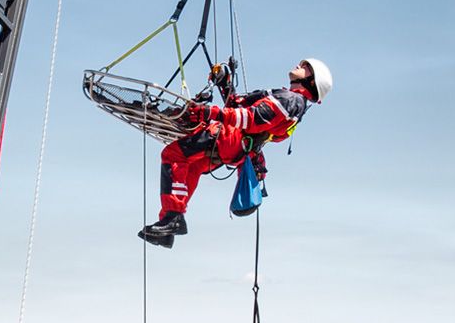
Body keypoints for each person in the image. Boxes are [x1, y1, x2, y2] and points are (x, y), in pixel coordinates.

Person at [139, 58, 333, 247]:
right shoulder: (294, 105)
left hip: (227, 138)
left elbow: (252, 118)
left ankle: (172, 217)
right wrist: (225, 84)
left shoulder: (291, 100)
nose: (299, 65)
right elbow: (239, 107)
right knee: (193, 166)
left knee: (172, 155)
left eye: (306, 66)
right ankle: (169, 225)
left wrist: (209, 112)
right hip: (236, 149)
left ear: (312, 81)